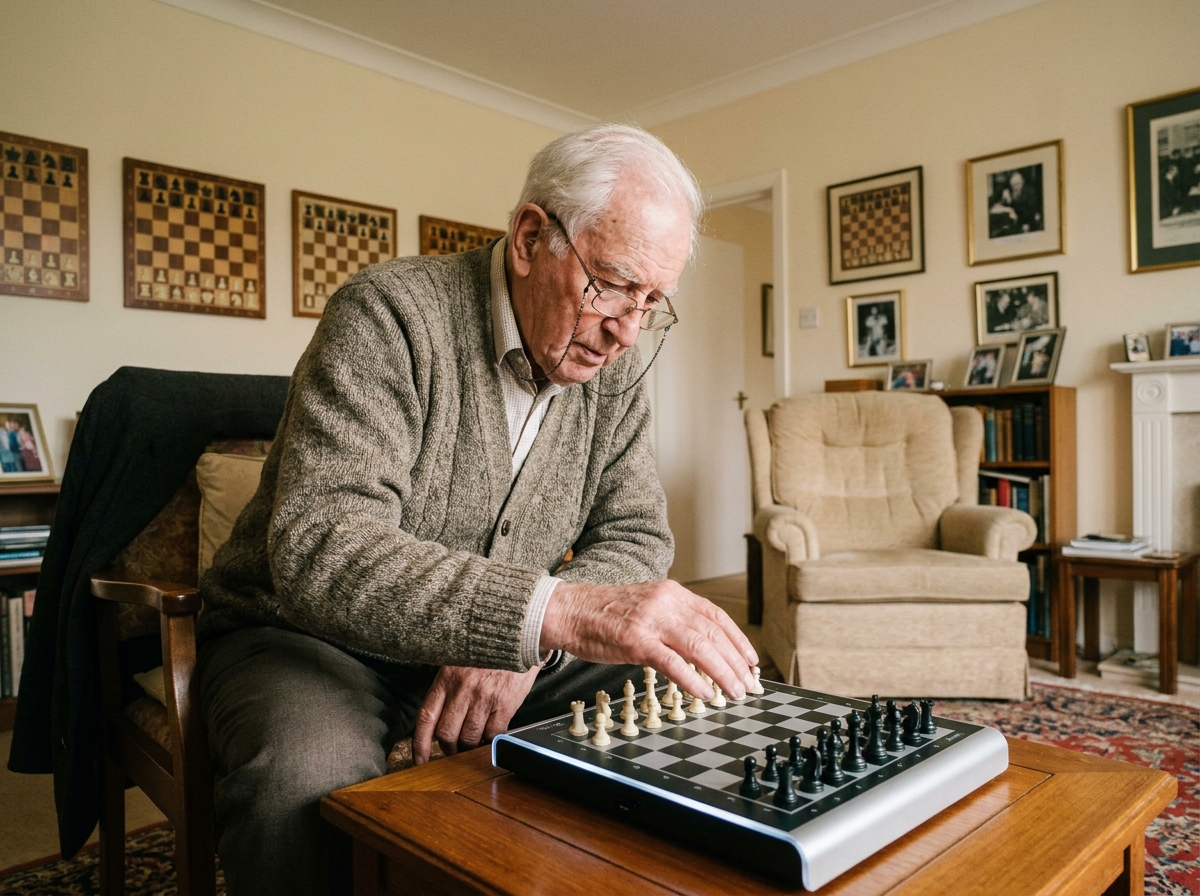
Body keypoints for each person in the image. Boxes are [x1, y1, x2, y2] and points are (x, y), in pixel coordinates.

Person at [196, 124, 758, 896]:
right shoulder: (387, 316)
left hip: (503, 643)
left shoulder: (615, 369)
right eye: (612, 283)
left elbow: (635, 532)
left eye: (652, 300)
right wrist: (538, 616)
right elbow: (325, 547)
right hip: (305, 635)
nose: (627, 330)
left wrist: (522, 643)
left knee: (696, 704)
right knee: (303, 783)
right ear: (531, 237)